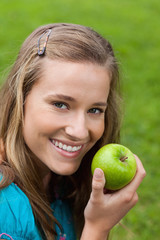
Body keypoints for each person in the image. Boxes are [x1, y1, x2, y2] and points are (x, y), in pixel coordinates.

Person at [0, 23, 146, 240]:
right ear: (20, 99)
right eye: (60, 104)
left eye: (95, 109)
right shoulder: (6, 208)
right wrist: (97, 228)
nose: (79, 131)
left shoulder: (60, 181)